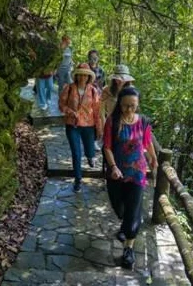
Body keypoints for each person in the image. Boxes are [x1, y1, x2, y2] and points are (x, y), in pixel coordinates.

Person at [103, 86, 158, 269]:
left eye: (133, 106)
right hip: (116, 173)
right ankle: (125, 226)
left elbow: (147, 142)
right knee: (120, 208)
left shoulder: (143, 121)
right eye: (126, 105)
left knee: (133, 210)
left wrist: (153, 159)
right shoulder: (112, 121)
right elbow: (107, 147)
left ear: (138, 104)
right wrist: (113, 167)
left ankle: (128, 249)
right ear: (119, 103)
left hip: (137, 173)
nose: (129, 109)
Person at [59, 63, 103, 192]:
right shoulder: (69, 88)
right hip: (72, 125)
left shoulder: (93, 90)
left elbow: (96, 110)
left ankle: (90, 157)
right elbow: (61, 104)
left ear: (88, 76)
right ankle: (78, 180)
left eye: (85, 75)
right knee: (76, 153)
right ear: (76, 76)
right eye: (80, 74)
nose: (82, 77)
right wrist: (69, 111)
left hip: (89, 125)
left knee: (90, 151)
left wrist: (99, 127)